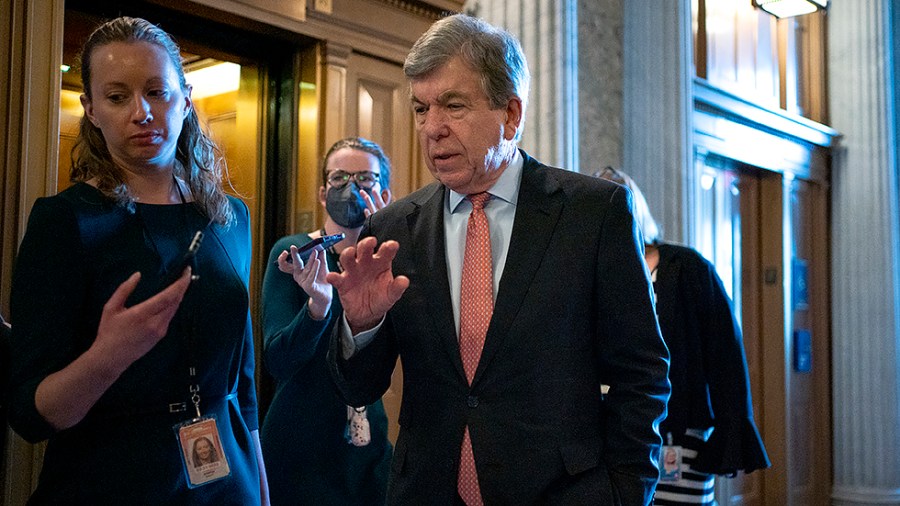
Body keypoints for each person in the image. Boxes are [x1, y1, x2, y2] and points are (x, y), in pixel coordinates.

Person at [324, 14, 671, 506]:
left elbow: (643, 372)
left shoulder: (594, 213)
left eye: (453, 105)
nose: (432, 129)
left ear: (510, 113)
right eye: (421, 109)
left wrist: (623, 492)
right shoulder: (394, 228)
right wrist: (361, 327)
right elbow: (359, 385)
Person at [7, 17, 268, 504]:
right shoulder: (65, 222)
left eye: (157, 91)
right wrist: (107, 357)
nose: (142, 112)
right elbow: (29, 415)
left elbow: (245, 385)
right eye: (118, 96)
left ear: (186, 98)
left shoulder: (231, 217)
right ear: (91, 110)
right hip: (110, 480)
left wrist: (262, 492)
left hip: (226, 480)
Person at [596, 167, 770, 506]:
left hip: (678, 429)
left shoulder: (687, 267)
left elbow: (724, 353)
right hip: (610, 429)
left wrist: (732, 427)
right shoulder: (587, 270)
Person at [260, 137, 393, 505]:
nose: (352, 188)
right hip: (298, 444)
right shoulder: (296, 254)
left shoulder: (393, 257)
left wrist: (391, 237)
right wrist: (317, 306)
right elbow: (277, 361)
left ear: (384, 190)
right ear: (322, 193)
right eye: (339, 178)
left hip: (368, 443)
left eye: (366, 179)